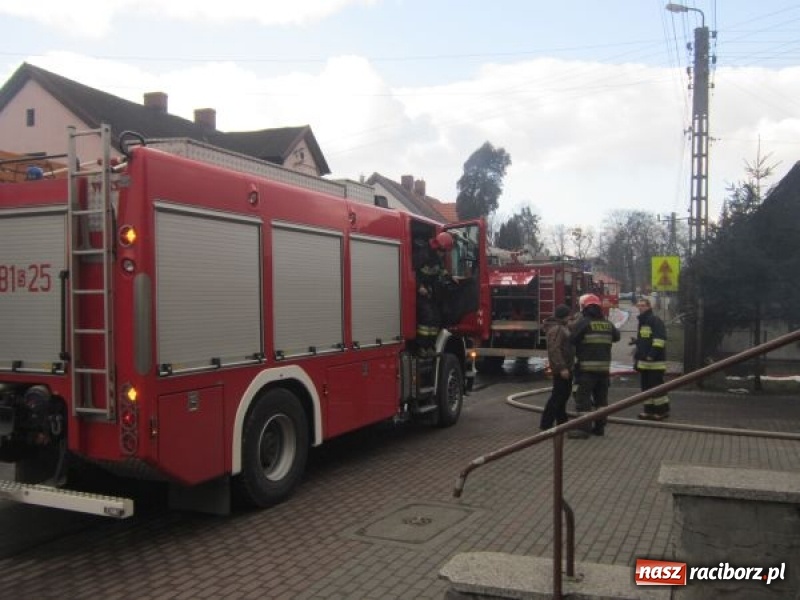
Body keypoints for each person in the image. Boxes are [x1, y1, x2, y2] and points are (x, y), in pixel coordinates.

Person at [568, 293, 620, 438]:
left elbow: (572, 339)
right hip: (604, 371)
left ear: (584, 308)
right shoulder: (607, 324)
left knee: (583, 399)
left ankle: (583, 430)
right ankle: (599, 428)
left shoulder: (584, 323)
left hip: (586, 370)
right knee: (601, 401)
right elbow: (617, 337)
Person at [414, 231, 454, 356]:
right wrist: (419, 286)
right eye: (443, 251)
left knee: (436, 318)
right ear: (438, 247)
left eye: (445, 251)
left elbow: (441, 270)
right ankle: (421, 347)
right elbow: (411, 272)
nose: (443, 254)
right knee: (427, 317)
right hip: (420, 292)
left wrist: (451, 277)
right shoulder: (423, 255)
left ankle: (430, 346)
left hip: (431, 292)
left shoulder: (437, 258)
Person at [633, 297, 670, 420]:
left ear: (649, 307)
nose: (640, 308)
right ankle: (648, 411)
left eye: (643, 305)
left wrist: (651, 355)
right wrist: (637, 342)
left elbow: (659, 340)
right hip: (644, 363)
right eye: (639, 305)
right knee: (646, 388)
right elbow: (646, 339)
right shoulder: (643, 321)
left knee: (657, 388)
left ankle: (662, 411)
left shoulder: (655, 320)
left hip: (655, 363)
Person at [539, 304, 575, 430]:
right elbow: (554, 349)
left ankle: (562, 422)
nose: (570, 317)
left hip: (566, 367)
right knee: (558, 396)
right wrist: (562, 368)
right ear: (564, 316)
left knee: (563, 395)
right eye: (569, 315)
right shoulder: (557, 329)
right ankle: (546, 424)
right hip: (562, 369)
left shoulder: (561, 327)